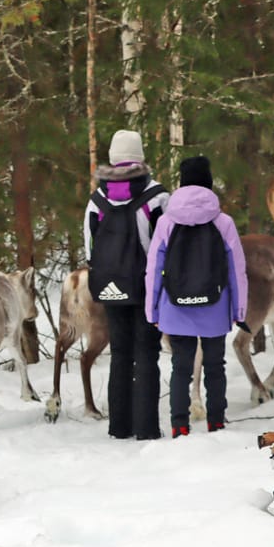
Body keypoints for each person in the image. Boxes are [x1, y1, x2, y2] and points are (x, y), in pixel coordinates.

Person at [145, 155, 248, 438]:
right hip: (215, 307)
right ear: (209, 183)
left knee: (181, 367)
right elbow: (236, 270)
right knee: (215, 365)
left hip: (175, 307)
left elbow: (153, 269)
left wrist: (152, 311)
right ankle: (216, 421)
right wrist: (239, 310)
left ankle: (179, 425)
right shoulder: (223, 222)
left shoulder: (166, 222)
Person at [85, 129, 170, 440]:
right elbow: (167, 241)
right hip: (147, 284)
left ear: (112, 157)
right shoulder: (158, 195)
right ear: (141, 155)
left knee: (120, 353)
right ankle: (147, 428)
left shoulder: (96, 199)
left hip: (110, 285)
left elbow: (89, 245)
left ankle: (119, 426)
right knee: (147, 352)